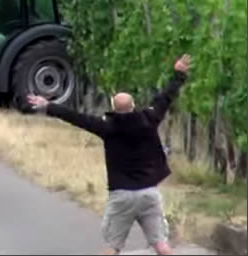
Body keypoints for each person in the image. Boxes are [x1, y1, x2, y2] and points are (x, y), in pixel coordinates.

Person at [26, 54, 192, 256]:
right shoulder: (149, 118)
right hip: (149, 192)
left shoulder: (106, 127)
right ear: (133, 106)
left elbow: (76, 117)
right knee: (161, 245)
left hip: (121, 195)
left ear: (113, 108)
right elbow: (165, 97)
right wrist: (178, 74)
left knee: (112, 247)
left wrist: (48, 105)